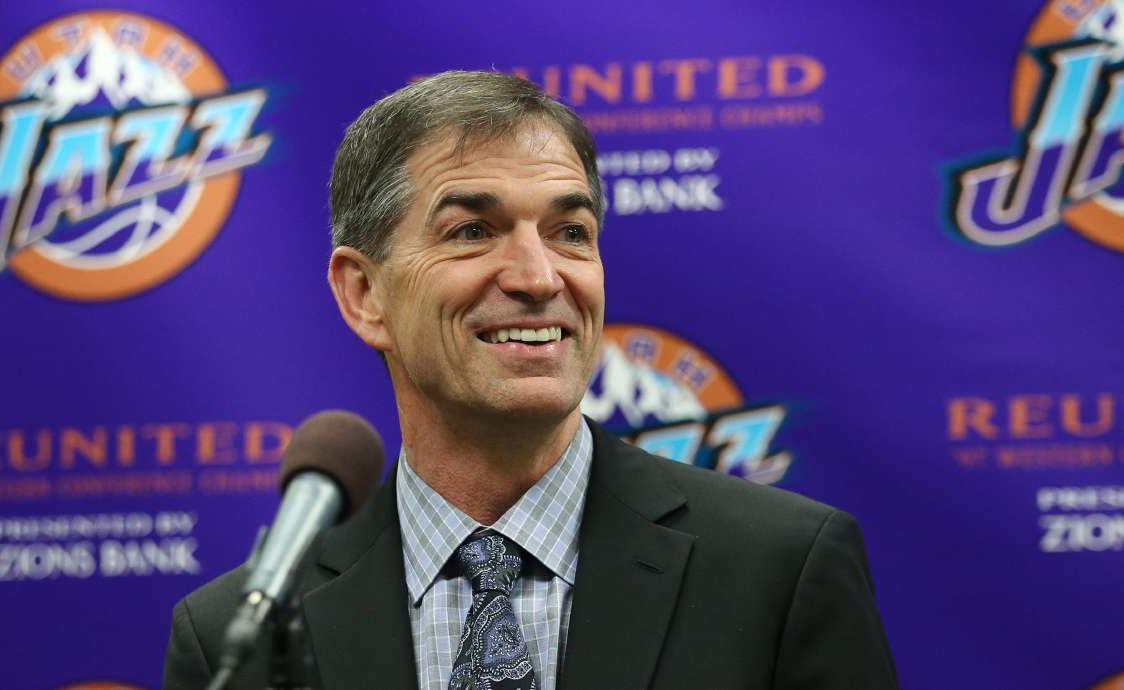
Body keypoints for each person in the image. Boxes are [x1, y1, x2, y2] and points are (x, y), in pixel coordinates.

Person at [163, 70, 899, 690]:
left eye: (569, 232)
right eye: (472, 231)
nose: (539, 277)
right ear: (364, 294)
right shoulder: (237, 637)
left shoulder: (780, 570)